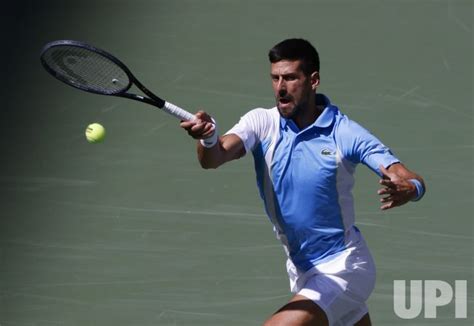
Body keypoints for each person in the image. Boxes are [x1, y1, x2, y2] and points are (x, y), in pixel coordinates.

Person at [180, 38, 426, 326]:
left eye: (290, 78)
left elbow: (407, 176)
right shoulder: (261, 122)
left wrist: (412, 189)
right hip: (302, 269)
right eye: (275, 78)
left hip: (343, 268)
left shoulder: (345, 133)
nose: (281, 88)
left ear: (313, 80)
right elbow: (214, 157)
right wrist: (208, 138)